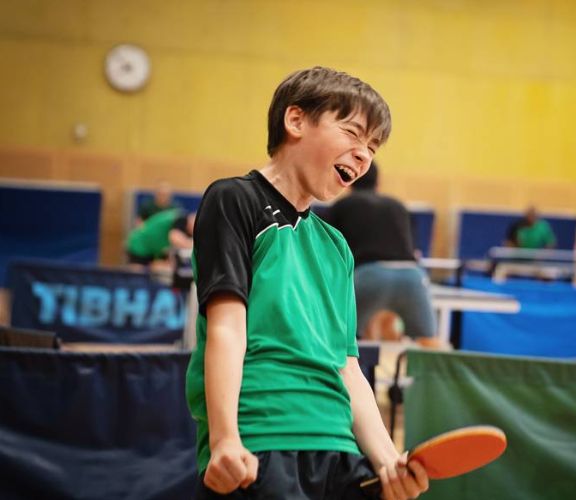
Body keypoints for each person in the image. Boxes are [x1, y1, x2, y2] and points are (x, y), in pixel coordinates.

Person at [185, 67, 429, 499]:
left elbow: (347, 365)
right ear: (295, 121)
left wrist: (388, 459)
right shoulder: (234, 200)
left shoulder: (335, 245)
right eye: (353, 134)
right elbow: (226, 329)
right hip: (263, 437)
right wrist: (225, 438)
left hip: (337, 444)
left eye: (372, 147)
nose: (363, 155)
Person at [327, 161, 437, 345]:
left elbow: (330, 253)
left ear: (349, 180)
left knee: (346, 340)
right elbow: (414, 249)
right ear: (379, 182)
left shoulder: (342, 206)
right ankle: (446, 371)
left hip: (370, 275)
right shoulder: (398, 206)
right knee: (429, 341)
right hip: (412, 275)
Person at [125, 208, 194, 268]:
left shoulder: (181, 221)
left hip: (152, 249)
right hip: (139, 246)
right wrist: (194, 246)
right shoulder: (181, 219)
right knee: (137, 277)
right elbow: (175, 238)